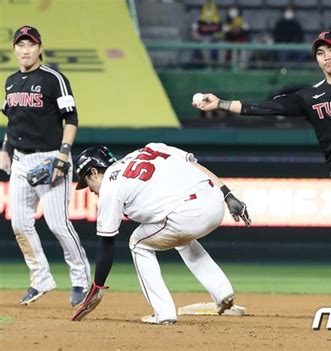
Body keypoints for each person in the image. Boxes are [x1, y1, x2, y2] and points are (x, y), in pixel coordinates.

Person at [193, 30, 331, 323]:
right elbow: (269, 107)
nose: (327, 57)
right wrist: (221, 104)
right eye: (321, 53)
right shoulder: (311, 96)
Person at [72, 144, 251, 324]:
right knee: (182, 239)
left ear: (94, 172)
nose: (90, 190)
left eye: (86, 183)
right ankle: (222, 292)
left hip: (188, 213)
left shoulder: (110, 187)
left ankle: (163, 313)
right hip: (215, 201)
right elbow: (196, 166)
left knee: (137, 243)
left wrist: (98, 285)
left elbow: (107, 241)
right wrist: (228, 194)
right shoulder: (149, 149)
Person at [0, 26, 90, 306]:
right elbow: (13, 122)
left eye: (30, 44)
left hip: (51, 158)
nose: (25, 50)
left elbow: (71, 119)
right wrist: (5, 148)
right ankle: (40, 279)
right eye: (20, 45)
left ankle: (81, 280)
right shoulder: (11, 82)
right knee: (20, 223)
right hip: (21, 161)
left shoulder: (53, 79)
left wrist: (63, 157)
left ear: (40, 48)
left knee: (59, 224)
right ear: (14, 49)